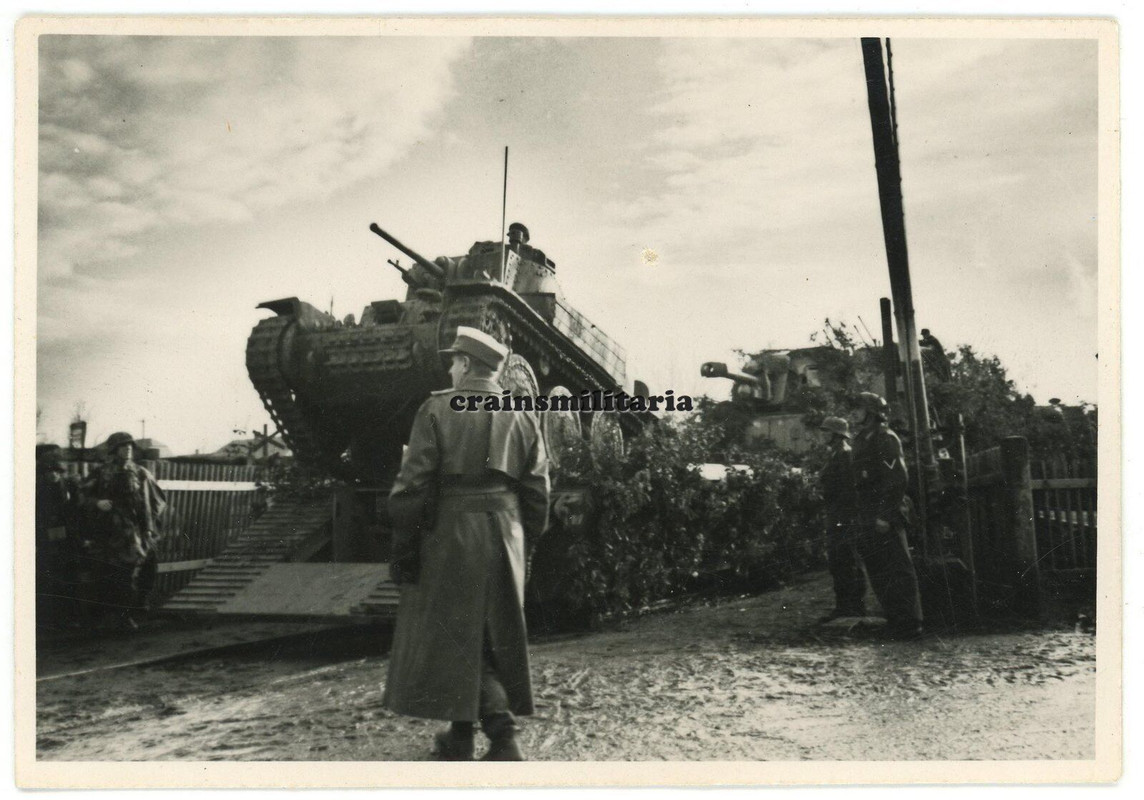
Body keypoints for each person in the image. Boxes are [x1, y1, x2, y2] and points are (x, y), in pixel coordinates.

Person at [383, 326, 550, 761]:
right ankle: (459, 735)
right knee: (487, 630)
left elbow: (414, 484)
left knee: (455, 633)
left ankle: (502, 731)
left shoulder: (437, 408)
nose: (451, 368)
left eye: (454, 361)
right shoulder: (523, 413)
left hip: (453, 532)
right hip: (507, 529)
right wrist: (525, 543)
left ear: (468, 364)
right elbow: (537, 490)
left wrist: (404, 544)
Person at [850, 392, 924, 640]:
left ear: (872, 412)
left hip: (886, 512)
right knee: (879, 570)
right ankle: (894, 620)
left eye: (859, 407)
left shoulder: (885, 438)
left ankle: (910, 623)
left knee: (897, 568)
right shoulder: (862, 439)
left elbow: (896, 480)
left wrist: (885, 515)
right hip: (867, 513)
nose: (854, 412)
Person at [79, 431, 166, 630]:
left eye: (130, 447)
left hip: (135, 532)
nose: (127, 450)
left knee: (136, 572)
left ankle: (129, 614)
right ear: (114, 450)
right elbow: (82, 495)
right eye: (122, 446)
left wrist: (149, 525)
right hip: (107, 532)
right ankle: (114, 617)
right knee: (110, 574)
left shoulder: (141, 473)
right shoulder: (101, 473)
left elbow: (157, 500)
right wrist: (97, 503)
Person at [817, 416, 866, 622]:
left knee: (847, 560)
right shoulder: (837, 454)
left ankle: (853, 606)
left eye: (827, 431)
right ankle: (844, 605)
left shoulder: (845, 455)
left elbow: (849, 489)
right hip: (837, 514)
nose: (824, 434)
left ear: (836, 435)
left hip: (844, 516)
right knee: (839, 561)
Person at [36, 445, 77, 628]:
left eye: (57, 471)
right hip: (45, 541)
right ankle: (48, 620)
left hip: (66, 542)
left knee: (67, 578)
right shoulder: (38, 490)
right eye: (49, 471)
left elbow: (75, 514)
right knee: (47, 578)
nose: (53, 475)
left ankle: (67, 618)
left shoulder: (68, 489)